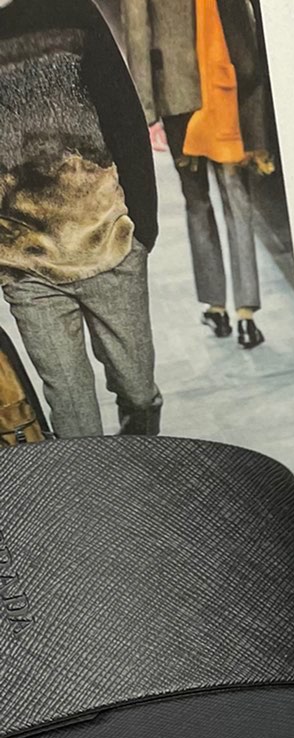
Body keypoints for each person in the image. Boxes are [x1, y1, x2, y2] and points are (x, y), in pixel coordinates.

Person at [0, 0, 162, 434]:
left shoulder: (71, 9)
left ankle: (139, 469)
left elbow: (123, 115)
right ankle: (90, 483)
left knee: (139, 394)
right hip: (26, 262)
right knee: (73, 417)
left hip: (107, 242)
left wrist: (142, 227)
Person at [124, 0, 274, 348]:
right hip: (225, 77)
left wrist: (146, 110)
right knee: (237, 196)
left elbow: (137, 29)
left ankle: (216, 307)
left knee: (196, 201)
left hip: (178, 92)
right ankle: (247, 316)